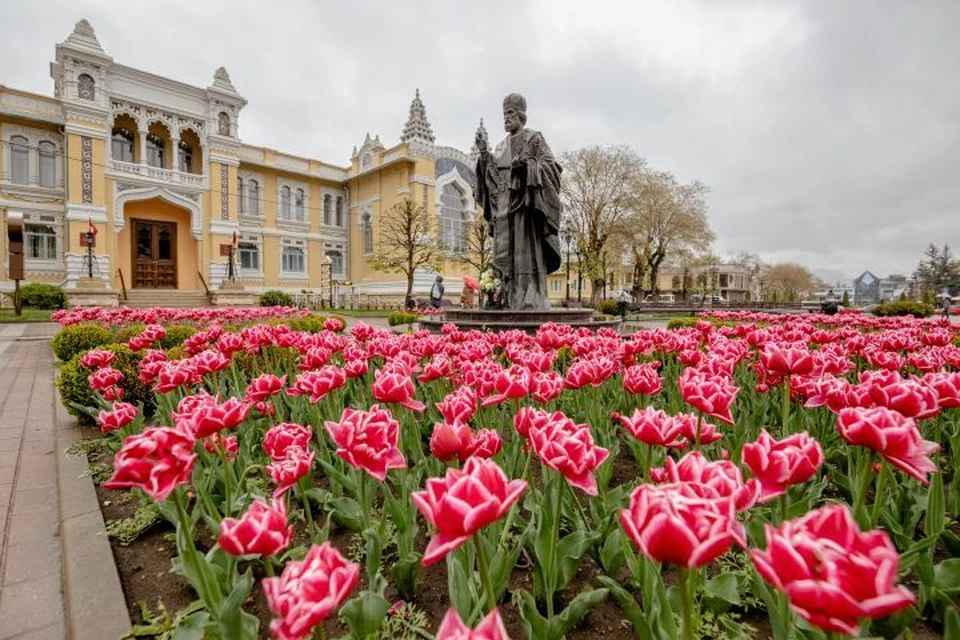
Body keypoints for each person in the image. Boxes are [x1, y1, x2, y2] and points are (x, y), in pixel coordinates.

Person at [475, 93, 563, 310]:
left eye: (510, 112)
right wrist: (484, 154)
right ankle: (501, 297)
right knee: (502, 255)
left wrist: (529, 166)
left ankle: (529, 297)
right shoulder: (500, 146)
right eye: (504, 113)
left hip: (524, 205)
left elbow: (552, 167)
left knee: (525, 253)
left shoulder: (534, 139)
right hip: (503, 207)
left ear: (521, 115)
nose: (506, 117)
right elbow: (492, 174)